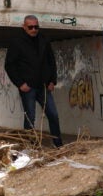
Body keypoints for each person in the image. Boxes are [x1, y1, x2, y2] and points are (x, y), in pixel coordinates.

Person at [4, 15, 64, 147]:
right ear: (24, 27)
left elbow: (51, 61)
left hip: (44, 86)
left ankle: (58, 144)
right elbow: (9, 65)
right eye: (30, 27)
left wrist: (52, 81)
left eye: (36, 26)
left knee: (53, 115)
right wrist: (20, 84)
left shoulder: (43, 39)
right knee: (30, 117)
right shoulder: (17, 42)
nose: (34, 29)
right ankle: (30, 146)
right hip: (28, 87)